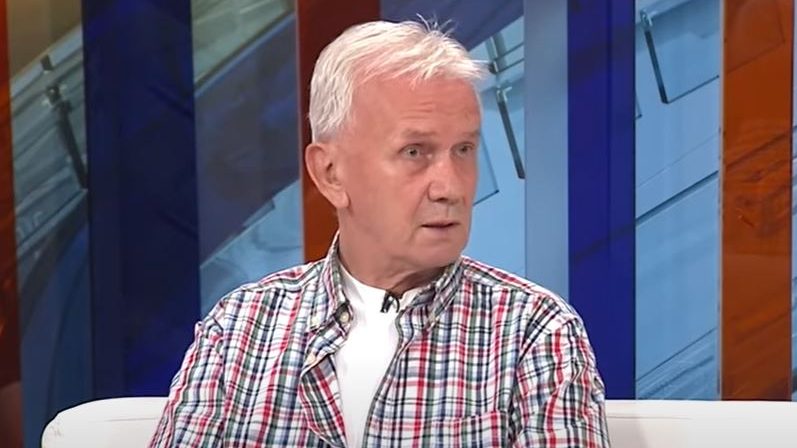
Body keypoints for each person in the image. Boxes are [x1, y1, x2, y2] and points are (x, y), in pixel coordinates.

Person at [150, 19, 609, 448]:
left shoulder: (535, 332)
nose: (450, 187)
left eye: (464, 149)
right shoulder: (239, 329)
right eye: (415, 152)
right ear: (330, 173)